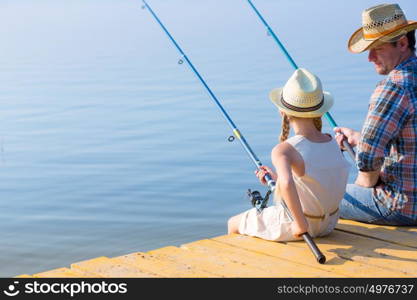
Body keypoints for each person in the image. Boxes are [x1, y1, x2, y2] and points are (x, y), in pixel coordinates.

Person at [228, 68, 350, 241]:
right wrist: (275, 179)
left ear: (282, 111)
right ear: (320, 111)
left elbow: (287, 183)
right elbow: (312, 183)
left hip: (301, 225)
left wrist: (300, 224)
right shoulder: (333, 142)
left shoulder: (284, 150)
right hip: (328, 224)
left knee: (233, 223)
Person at [334, 3, 417, 225]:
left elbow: (369, 160)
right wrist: (358, 138)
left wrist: (364, 187)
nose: (370, 57)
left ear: (402, 43)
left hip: (403, 206)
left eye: (377, 48)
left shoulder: (394, 88)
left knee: (305, 196)